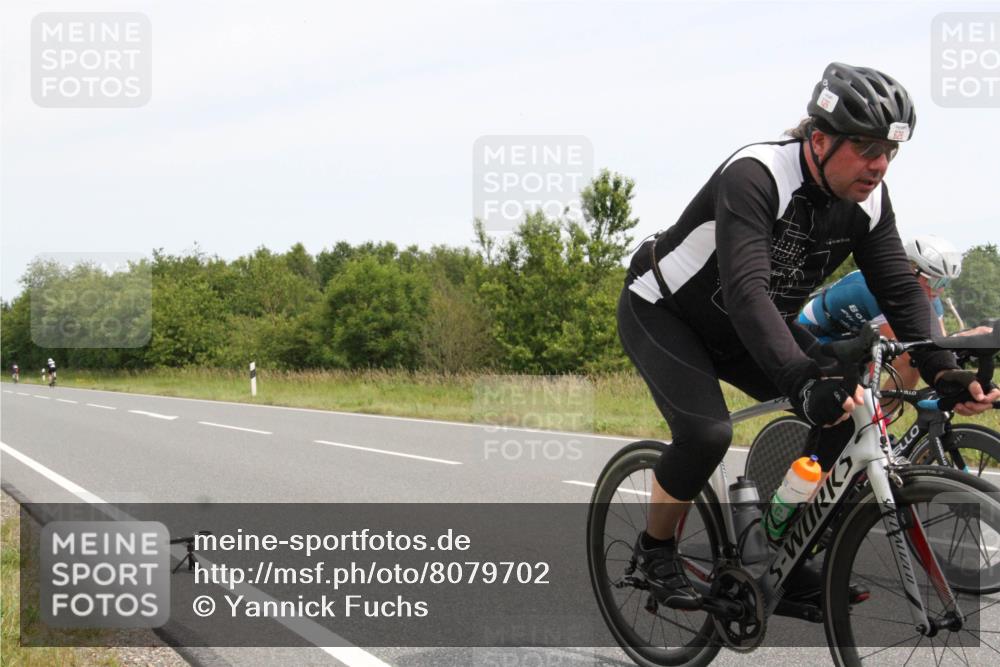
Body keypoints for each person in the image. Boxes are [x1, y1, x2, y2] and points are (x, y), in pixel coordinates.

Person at [617, 62, 999, 609]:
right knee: (706, 433)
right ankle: (654, 552)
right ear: (819, 140)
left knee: (852, 408)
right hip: (664, 312)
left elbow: (900, 291)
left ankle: (781, 553)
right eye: (867, 148)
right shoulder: (756, 175)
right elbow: (747, 291)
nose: (880, 165)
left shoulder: (869, 201)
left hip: (751, 325)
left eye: (891, 152)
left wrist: (944, 370)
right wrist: (800, 379)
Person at [798, 235, 992, 390]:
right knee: (848, 399)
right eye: (935, 282)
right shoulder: (875, 287)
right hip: (815, 334)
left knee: (904, 369)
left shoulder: (930, 299)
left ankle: (879, 431)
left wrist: (968, 338)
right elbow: (910, 347)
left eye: (945, 283)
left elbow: (938, 343)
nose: (938, 291)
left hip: (857, 339)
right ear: (911, 269)